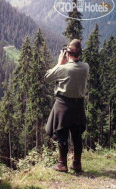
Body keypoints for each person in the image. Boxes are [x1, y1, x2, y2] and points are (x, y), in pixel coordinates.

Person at [44, 39, 89, 173]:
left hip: (63, 104)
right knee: (76, 136)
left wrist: (59, 63)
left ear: (67, 53)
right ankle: (77, 163)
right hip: (78, 105)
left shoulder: (63, 68)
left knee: (62, 134)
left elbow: (47, 77)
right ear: (80, 53)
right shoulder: (85, 67)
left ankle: (62, 164)